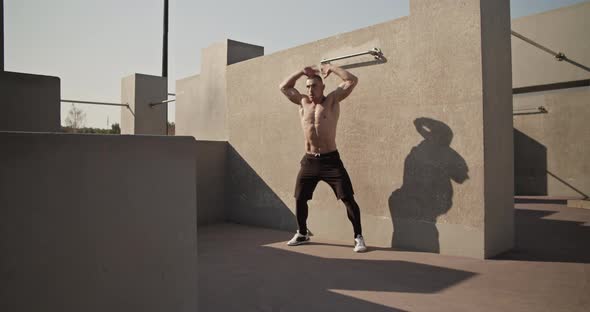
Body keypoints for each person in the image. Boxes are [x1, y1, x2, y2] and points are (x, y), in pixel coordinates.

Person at [279, 63, 366, 252]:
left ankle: (358, 236)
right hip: (309, 160)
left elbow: (351, 80)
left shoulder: (332, 100)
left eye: (314, 86)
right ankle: (302, 233)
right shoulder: (302, 102)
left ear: (323, 87)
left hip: (331, 161)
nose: (310, 89)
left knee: (347, 198)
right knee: (300, 198)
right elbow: (284, 87)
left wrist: (331, 68)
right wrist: (301, 72)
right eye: (308, 86)